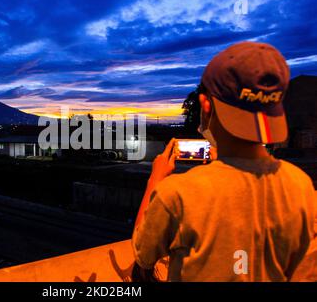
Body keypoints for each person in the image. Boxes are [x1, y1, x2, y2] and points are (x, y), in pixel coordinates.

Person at [131, 42, 316, 281]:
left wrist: (155, 178)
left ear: (206, 106)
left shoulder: (177, 193)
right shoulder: (299, 185)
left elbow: (142, 253)